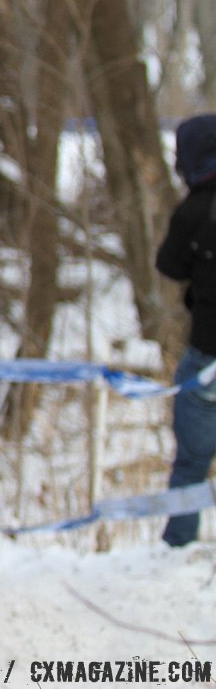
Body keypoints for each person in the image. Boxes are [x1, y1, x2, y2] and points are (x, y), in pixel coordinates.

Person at [157, 112, 216, 547]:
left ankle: (178, 544)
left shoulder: (194, 210)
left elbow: (169, 266)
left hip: (208, 355)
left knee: (192, 461)